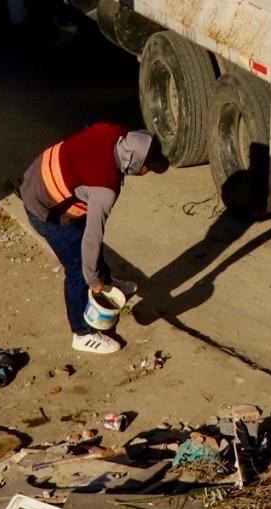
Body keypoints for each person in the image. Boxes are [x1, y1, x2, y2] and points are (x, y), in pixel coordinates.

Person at [20, 123, 164, 354]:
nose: (148, 172)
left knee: (87, 250)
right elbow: (92, 237)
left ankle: (106, 282)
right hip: (46, 210)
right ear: (135, 163)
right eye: (148, 167)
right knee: (78, 268)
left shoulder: (111, 131)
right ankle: (82, 333)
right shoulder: (105, 187)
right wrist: (93, 280)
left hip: (36, 175)